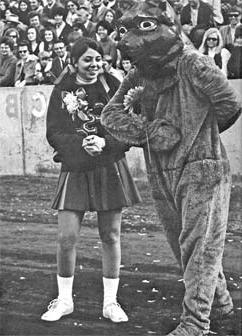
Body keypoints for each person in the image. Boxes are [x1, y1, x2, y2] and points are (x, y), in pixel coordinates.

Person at [101, 1, 241, 335]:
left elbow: (230, 104)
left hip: (202, 169)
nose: (128, 39)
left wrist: (195, 134)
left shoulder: (193, 63)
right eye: (123, 31)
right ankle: (219, 303)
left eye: (143, 27)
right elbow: (110, 114)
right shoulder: (138, 74)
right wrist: (149, 134)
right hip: (160, 172)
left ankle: (195, 323)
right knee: (187, 247)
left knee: (198, 247)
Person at [41, 36, 141, 323]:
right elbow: (54, 131)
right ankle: (64, 300)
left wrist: (105, 143)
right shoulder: (62, 89)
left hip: (109, 165)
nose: (95, 64)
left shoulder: (114, 85)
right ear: (74, 63)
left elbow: (128, 126)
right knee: (66, 237)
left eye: (98, 59)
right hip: (75, 167)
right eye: (88, 59)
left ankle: (110, 302)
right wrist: (80, 144)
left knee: (110, 235)